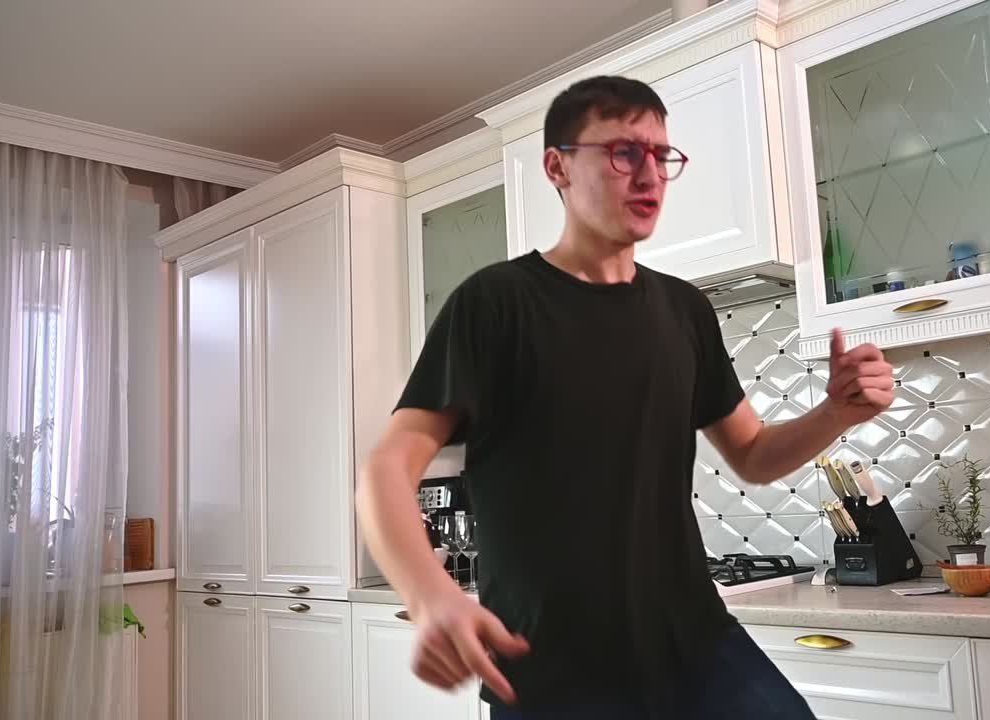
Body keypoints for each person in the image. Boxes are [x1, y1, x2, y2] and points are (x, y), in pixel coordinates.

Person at [356, 75, 895, 720]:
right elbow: (388, 469)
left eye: (661, 156)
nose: (649, 175)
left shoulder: (686, 310)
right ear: (557, 166)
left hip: (695, 641)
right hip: (552, 666)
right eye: (622, 152)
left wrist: (837, 411)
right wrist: (430, 593)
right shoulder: (494, 304)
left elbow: (752, 453)